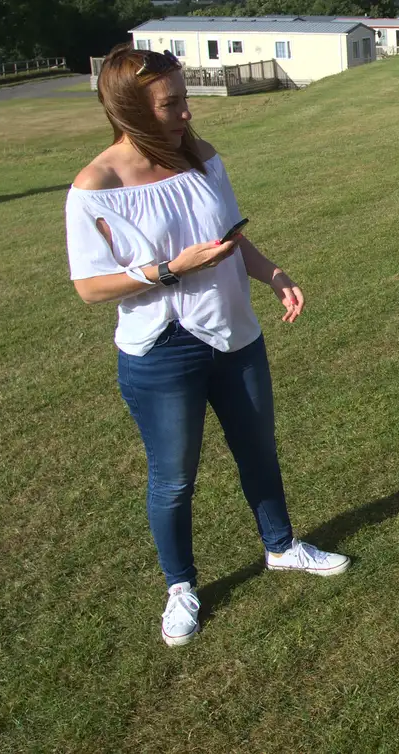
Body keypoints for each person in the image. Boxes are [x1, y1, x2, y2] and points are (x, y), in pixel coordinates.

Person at [65, 45, 349, 648]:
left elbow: (232, 239)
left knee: (258, 449)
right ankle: (181, 587)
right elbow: (90, 287)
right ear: (128, 110)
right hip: (161, 351)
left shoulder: (201, 156)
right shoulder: (96, 187)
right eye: (172, 105)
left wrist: (273, 274)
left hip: (234, 334)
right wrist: (170, 269)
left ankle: (280, 547)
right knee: (174, 478)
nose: (187, 114)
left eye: (184, 99)